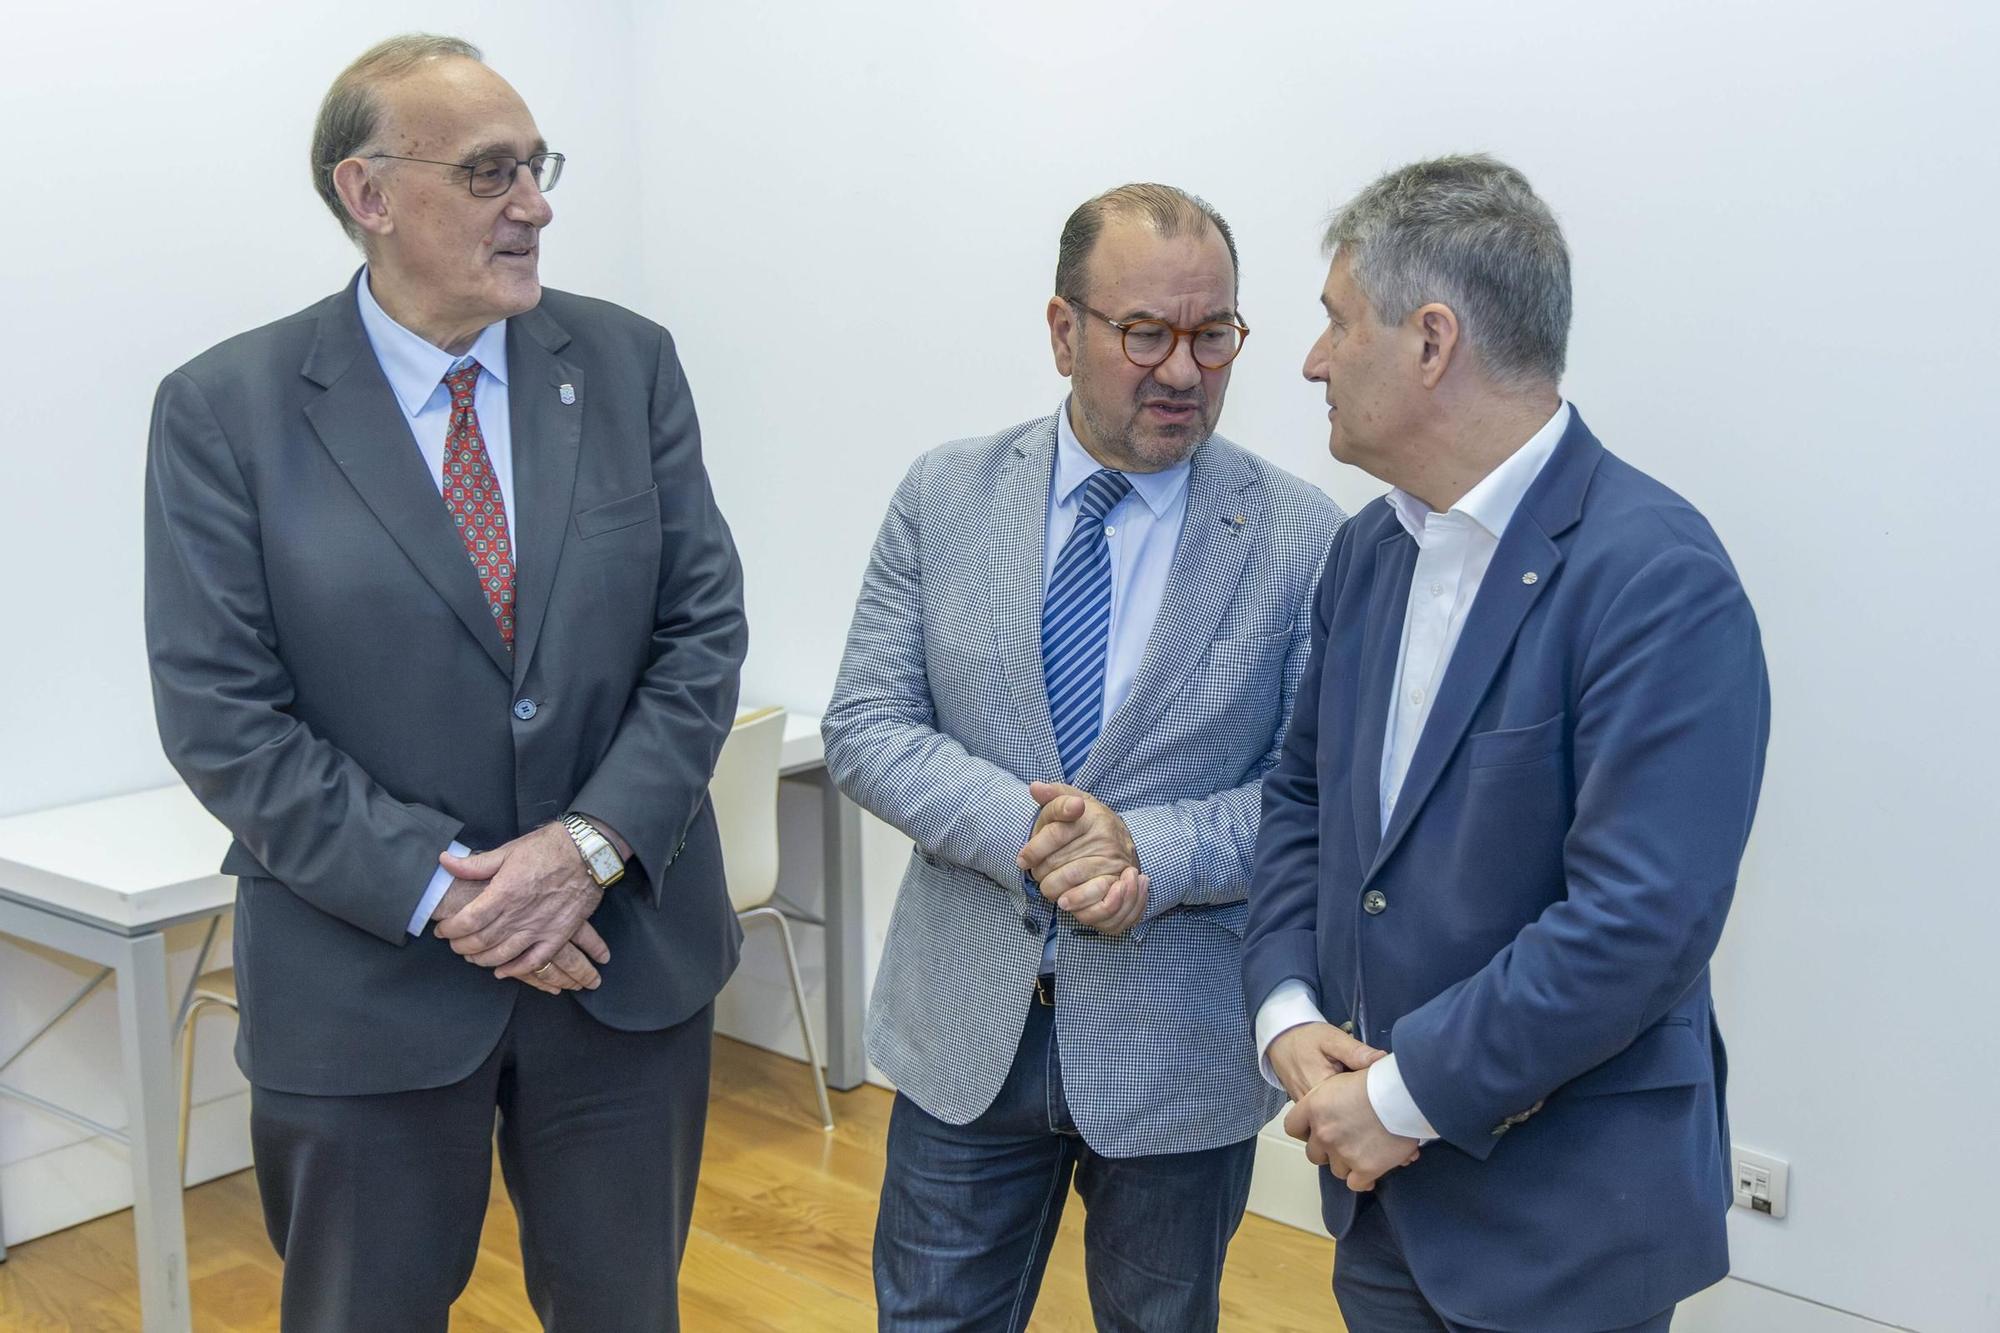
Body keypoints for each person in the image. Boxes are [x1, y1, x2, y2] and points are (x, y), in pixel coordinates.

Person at [143, 34, 745, 1333]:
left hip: (618, 970)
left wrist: (585, 847)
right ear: (369, 194)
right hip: (365, 990)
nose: (534, 204)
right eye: (489, 173)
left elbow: (700, 636)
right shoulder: (224, 411)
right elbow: (224, 720)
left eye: (538, 166)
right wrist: (457, 893)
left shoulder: (629, 365)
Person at [1244, 153, 1770, 1332]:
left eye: (1335, 322)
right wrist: (1283, 1010)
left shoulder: (1655, 578)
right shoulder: (1364, 553)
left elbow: (1638, 919)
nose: (1311, 358)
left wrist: (1405, 1091)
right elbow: (1298, 800)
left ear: (1431, 342)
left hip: (1562, 1227)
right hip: (1382, 1207)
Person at [822, 183, 1345, 1332]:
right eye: (1144, 333)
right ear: (1063, 330)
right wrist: (1041, 836)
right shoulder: (944, 492)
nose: (1182, 371)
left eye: (1213, 336)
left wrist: (1140, 850)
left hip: (1177, 1047)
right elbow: (865, 724)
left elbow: (1311, 799)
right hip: (964, 1026)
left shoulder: (1304, 537)